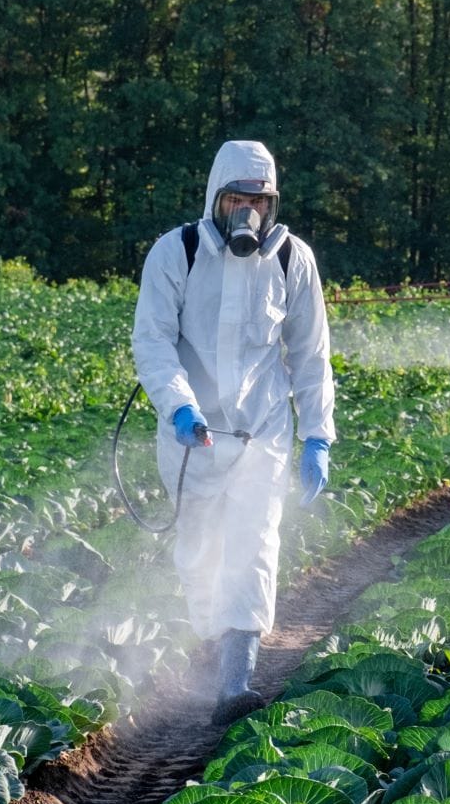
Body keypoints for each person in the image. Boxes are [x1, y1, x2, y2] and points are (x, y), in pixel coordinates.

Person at [132, 140, 336, 725]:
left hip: (262, 433)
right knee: (199, 554)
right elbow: (153, 341)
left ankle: (234, 680)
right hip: (192, 433)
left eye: (258, 202)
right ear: (216, 199)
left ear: (272, 205)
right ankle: (211, 641)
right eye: (236, 201)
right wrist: (178, 407)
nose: (247, 214)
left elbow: (311, 353)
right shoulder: (178, 253)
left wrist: (317, 435)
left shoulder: (293, 261)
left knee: (253, 545)